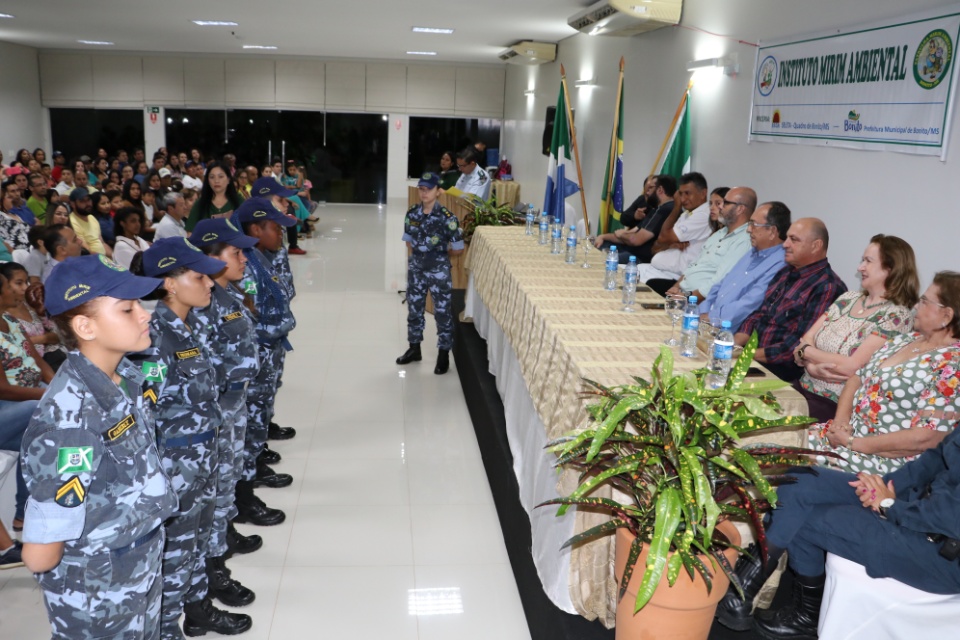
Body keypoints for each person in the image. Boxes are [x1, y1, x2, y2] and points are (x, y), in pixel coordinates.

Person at [19, 255, 177, 639]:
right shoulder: (69, 418)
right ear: (85, 326)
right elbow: (40, 554)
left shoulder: (123, 378)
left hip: (137, 566)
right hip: (98, 594)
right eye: (127, 308)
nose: (144, 315)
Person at [130, 238, 252, 638]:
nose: (210, 284)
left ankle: (198, 612)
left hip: (202, 460)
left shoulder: (189, 324)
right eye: (199, 277)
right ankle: (168, 629)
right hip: (175, 471)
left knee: (196, 550)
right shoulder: (153, 340)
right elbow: (144, 419)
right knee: (173, 561)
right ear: (169, 283)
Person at [733, 428, 960, 639]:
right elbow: (939, 457)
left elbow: (951, 518)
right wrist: (882, 487)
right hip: (916, 506)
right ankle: (741, 592)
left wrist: (889, 505)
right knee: (799, 480)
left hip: (939, 552)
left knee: (804, 518)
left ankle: (804, 614)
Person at [808, 272, 960, 476]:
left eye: (924, 301)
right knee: (769, 440)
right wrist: (840, 423)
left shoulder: (952, 364)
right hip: (844, 437)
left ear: (947, 316)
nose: (915, 306)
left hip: (881, 461)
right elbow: (857, 377)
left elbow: (927, 437)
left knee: (780, 457)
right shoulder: (906, 339)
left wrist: (854, 443)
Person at [189, 219, 265, 594]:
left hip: (232, 406)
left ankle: (225, 534)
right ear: (211, 259)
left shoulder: (226, 294)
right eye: (235, 252)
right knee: (214, 490)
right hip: (215, 412)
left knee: (226, 481)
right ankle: (212, 569)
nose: (243, 258)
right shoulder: (200, 306)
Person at [794, 235, 919, 421]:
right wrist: (811, 366)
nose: (860, 267)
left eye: (868, 261)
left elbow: (852, 366)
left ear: (890, 269)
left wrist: (807, 353)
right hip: (801, 388)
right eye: (862, 260)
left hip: (834, 406)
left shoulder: (896, 316)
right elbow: (803, 342)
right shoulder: (848, 298)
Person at [232, 197, 297, 525]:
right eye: (275, 228)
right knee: (250, 423)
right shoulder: (248, 268)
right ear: (256, 229)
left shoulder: (260, 258)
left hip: (266, 351)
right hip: (256, 355)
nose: (281, 234)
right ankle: (245, 497)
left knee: (257, 421)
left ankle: (253, 470)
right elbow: (252, 319)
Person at [735, 217, 847, 382]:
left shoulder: (827, 287)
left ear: (816, 246)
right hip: (751, 357)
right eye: (787, 238)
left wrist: (744, 355)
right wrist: (734, 345)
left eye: (793, 240)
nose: (785, 244)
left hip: (780, 372)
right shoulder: (785, 272)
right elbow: (759, 314)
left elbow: (796, 346)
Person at [1, 266, 56, 539]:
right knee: (41, 411)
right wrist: (47, 395)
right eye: (13, 285)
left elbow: (37, 360)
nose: (19, 289)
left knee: (37, 438)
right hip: (6, 408)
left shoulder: (10, 322)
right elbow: (3, 389)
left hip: (28, 399)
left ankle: (25, 516)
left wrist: (58, 385)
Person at [396, 172, 465, 375]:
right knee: (414, 310)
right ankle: (414, 348)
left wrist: (441, 256)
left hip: (439, 271)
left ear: (438, 191)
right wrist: (419, 258)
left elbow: (459, 248)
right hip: (417, 269)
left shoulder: (447, 218)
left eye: (428, 189)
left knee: (442, 313)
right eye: (421, 189)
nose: (424, 193)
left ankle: (443, 354)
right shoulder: (412, 213)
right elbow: (408, 241)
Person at [700, 201, 791, 332]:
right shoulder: (751, 252)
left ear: (772, 231)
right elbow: (720, 285)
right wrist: (702, 311)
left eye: (754, 224)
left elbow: (750, 304)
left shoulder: (781, 264)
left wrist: (710, 317)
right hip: (708, 322)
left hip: (729, 334)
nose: (749, 229)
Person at [652, 186, 755, 299]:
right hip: (684, 294)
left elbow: (719, 282)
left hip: (699, 302)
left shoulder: (744, 240)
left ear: (740, 209)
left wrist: (686, 297)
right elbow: (693, 266)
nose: (720, 206)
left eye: (725, 203)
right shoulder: (718, 234)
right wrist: (675, 289)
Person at [640, 171, 712, 281]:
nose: (682, 199)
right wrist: (670, 244)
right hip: (656, 270)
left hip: (673, 277)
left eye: (687, 193)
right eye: (681, 194)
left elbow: (663, 238)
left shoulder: (703, 215)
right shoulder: (687, 214)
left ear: (703, 193)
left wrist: (676, 207)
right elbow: (656, 247)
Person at [593, 174, 677, 264]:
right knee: (602, 244)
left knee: (600, 260)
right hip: (630, 250)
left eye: (650, 188)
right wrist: (603, 236)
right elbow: (630, 232)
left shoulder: (665, 210)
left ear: (660, 190)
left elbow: (636, 240)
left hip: (640, 259)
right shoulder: (656, 209)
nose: (647, 192)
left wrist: (621, 235)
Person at [3, 266, 67, 371]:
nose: (25, 287)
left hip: (58, 355)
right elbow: (13, 348)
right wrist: (45, 338)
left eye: (26, 282)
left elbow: (58, 335)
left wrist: (37, 339)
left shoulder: (30, 304)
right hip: (33, 366)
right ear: (5, 286)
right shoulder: (4, 316)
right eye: (19, 283)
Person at [186, 162, 243, 232]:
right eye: (212, 177)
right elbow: (190, 233)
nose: (216, 181)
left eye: (220, 176)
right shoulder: (200, 204)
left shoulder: (239, 200)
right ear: (208, 181)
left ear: (228, 179)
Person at [69, 188, 112, 258]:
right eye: (82, 201)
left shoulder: (91, 217)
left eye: (88, 200)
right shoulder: (72, 222)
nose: (88, 204)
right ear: (73, 204)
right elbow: (86, 250)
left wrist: (114, 259)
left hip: (103, 259)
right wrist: (105, 262)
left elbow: (102, 243)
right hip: (90, 260)